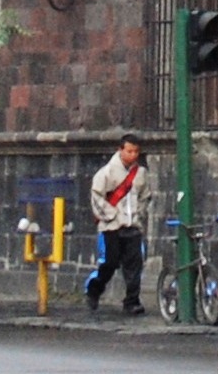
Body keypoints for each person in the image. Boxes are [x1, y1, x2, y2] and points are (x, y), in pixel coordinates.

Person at [84, 134, 149, 316]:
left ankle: (132, 301)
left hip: (132, 225)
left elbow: (145, 196)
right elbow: (96, 197)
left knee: (134, 265)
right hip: (111, 227)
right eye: (129, 151)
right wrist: (111, 216)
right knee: (109, 263)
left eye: (136, 151)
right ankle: (94, 290)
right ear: (120, 150)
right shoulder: (106, 173)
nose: (133, 155)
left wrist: (139, 214)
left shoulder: (141, 174)